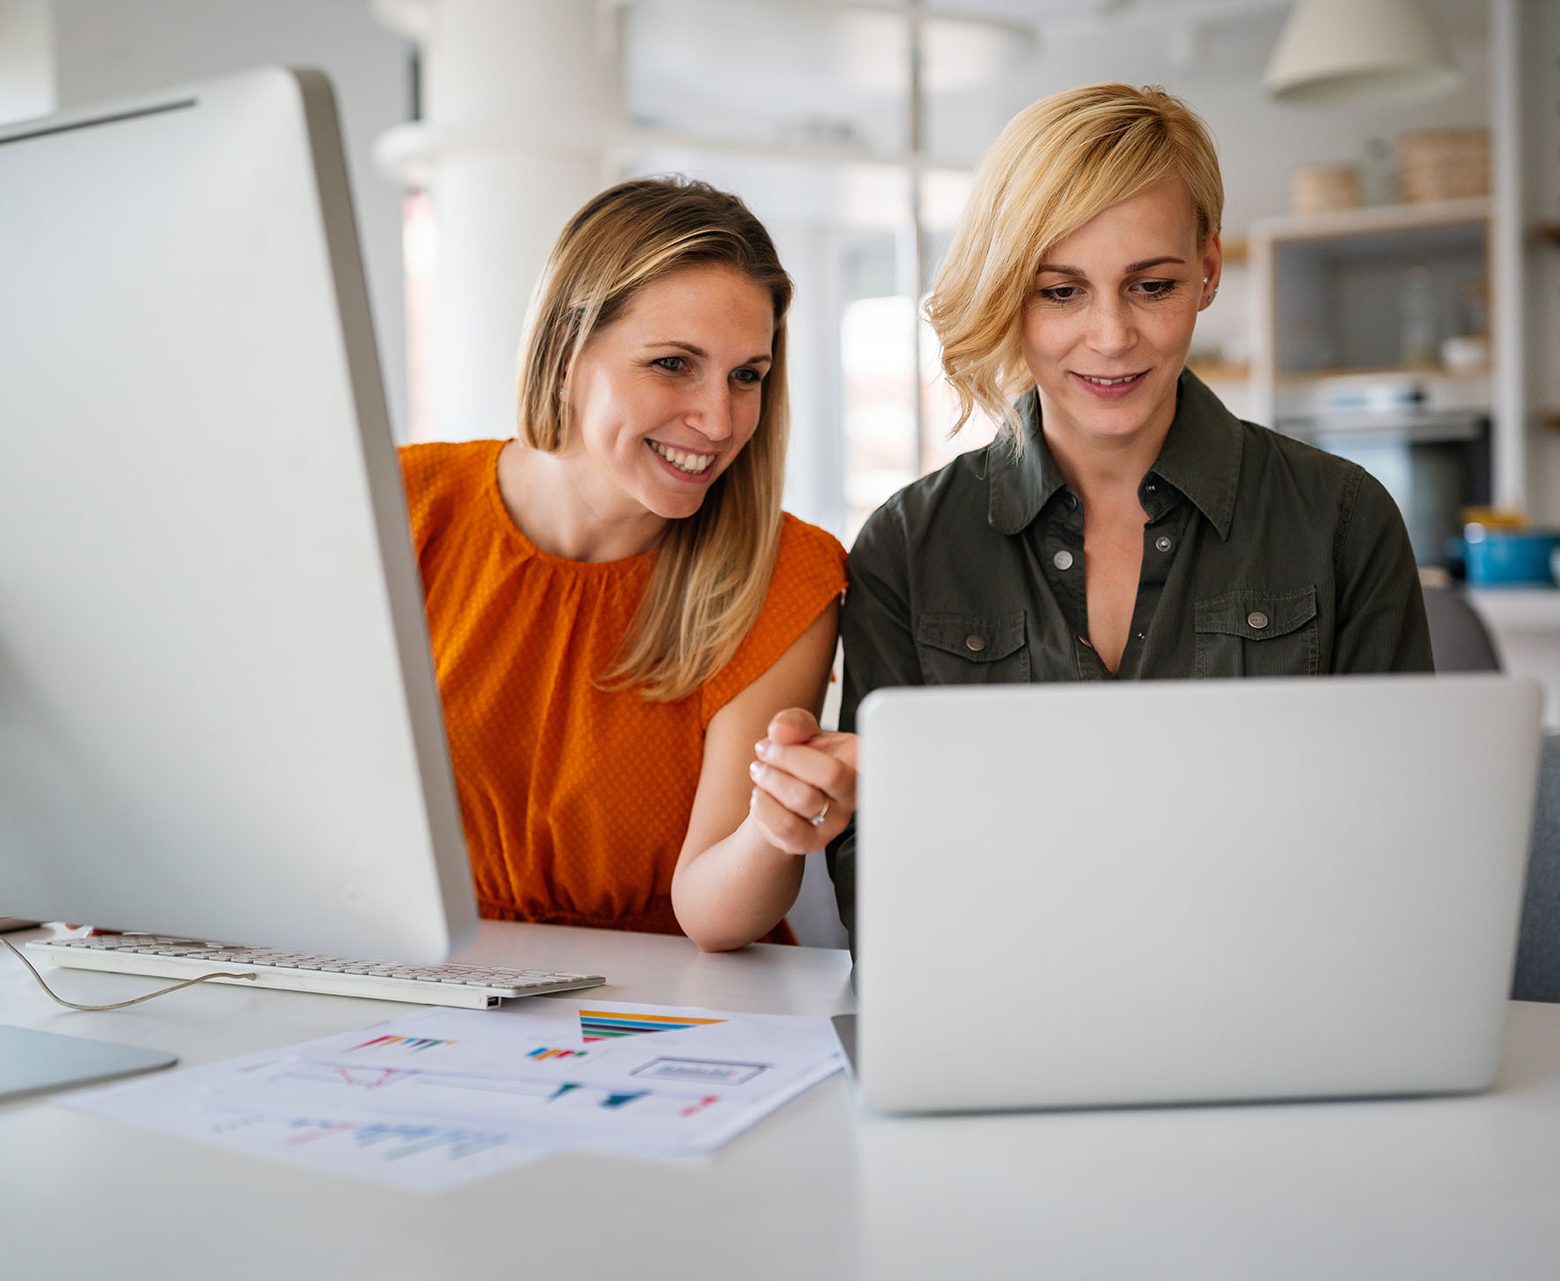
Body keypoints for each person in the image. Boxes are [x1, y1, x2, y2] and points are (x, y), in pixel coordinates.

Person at [799, 82, 1433, 953]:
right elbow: (876, 879)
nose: (1110, 335)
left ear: (1208, 271)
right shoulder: (907, 546)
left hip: (1275, 990)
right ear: (1009, 293)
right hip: (1005, 992)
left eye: (1152, 285)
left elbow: (1402, 843)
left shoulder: (1344, 519)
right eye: (1061, 291)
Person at [399, 177, 853, 952]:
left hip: (667, 991)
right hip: (425, 970)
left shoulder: (786, 573)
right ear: (565, 353)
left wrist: (774, 829)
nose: (719, 421)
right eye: (673, 363)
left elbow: (712, 913)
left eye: (747, 375)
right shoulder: (402, 504)